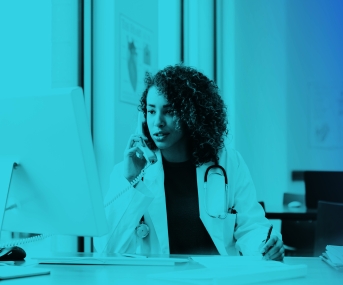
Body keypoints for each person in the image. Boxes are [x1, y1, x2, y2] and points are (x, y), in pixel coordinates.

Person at [94, 64, 284, 260]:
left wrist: (264, 246)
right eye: (151, 111)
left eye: (169, 111)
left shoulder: (228, 162)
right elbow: (107, 249)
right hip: (160, 280)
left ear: (192, 114)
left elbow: (251, 226)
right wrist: (131, 180)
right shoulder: (131, 171)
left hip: (217, 278)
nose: (158, 122)